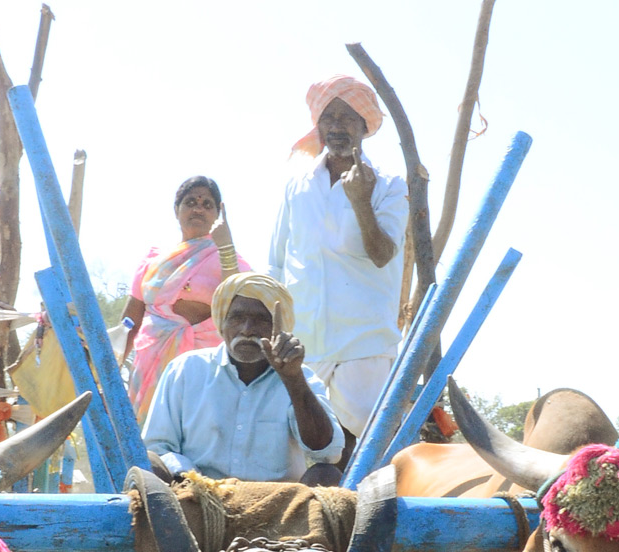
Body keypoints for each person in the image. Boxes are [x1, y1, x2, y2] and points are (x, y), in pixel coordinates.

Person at [268, 75, 409, 457]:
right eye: (328, 116)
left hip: (364, 343)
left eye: (348, 117)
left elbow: (383, 254)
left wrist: (360, 201)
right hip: (304, 347)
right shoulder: (297, 184)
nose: (336, 126)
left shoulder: (390, 185)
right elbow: (278, 261)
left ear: (365, 125)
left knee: (374, 451)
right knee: (297, 453)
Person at [142, 273, 343, 485]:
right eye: (237, 318)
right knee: (150, 465)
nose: (247, 330)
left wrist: (293, 379)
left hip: (277, 505)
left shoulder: (301, 376)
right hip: (197, 495)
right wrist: (192, 481)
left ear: (280, 328)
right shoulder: (185, 370)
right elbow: (158, 447)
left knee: (326, 476)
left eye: (261, 320)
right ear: (222, 320)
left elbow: (328, 454)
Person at [121, 176, 250, 422]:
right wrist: (108, 369)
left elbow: (240, 301)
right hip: (150, 365)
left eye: (207, 204)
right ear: (176, 210)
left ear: (217, 214)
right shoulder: (153, 261)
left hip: (203, 367)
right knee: (145, 438)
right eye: (190, 202)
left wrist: (226, 246)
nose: (198, 208)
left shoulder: (228, 257)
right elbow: (129, 323)